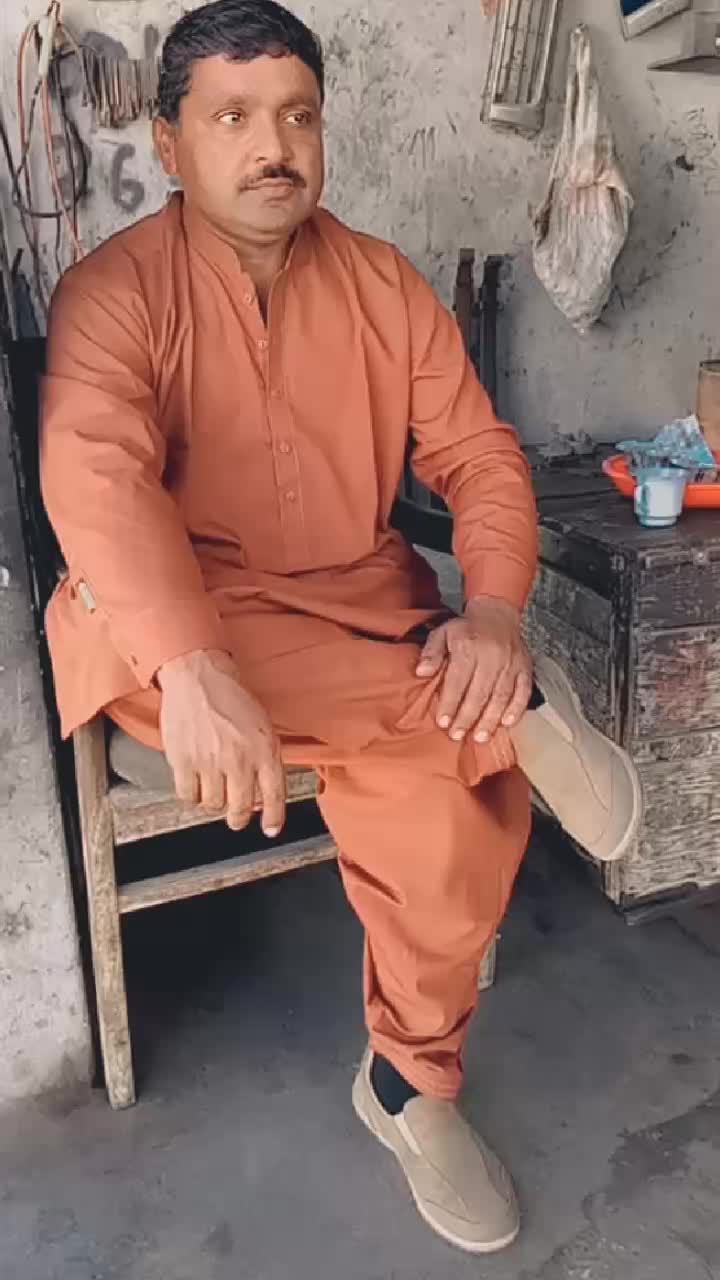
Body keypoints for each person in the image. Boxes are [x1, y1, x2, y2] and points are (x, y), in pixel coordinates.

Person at [40, 0, 642, 1255]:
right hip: (172, 628)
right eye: (235, 118)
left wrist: (491, 611)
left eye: (299, 116)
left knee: (455, 811)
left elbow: (479, 455)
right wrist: (192, 663)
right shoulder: (112, 292)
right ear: (169, 143)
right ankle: (518, 712)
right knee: (465, 733)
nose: (276, 146)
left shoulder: (382, 282)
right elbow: (95, 480)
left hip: (359, 617)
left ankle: (407, 1086)